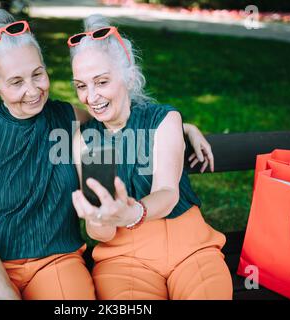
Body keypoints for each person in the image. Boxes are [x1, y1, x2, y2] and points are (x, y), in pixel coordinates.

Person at [0, 9, 214, 300]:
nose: (32, 90)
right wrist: (8, 296)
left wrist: (182, 126)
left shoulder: (67, 117)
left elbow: (120, 118)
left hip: (56, 262)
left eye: (38, 74)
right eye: (16, 82)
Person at [69, 15, 233, 300]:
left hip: (190, 246)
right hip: (124, 259)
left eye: (102, 81)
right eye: (81, 85)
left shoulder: (164, 119)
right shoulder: (85, 139)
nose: (91, 97)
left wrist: (132, 212)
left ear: (129, 76)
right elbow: (102, 233)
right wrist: (99, 219)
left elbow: (167, 193)